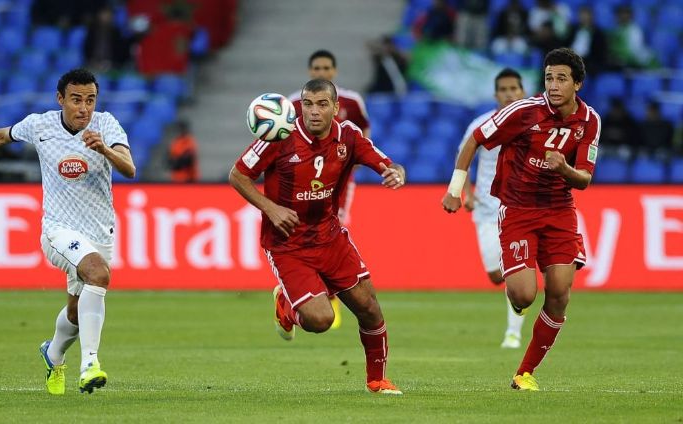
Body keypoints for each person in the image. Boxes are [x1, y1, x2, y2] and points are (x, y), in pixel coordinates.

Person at [0, 68, 136, 395]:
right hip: (58, 229)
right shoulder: (39, 125)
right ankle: (90, 365)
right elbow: (1, 136)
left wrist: (105, 150)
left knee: (75, 311)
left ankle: (53, 353)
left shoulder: (105, 124)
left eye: (90, 100)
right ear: (60, 99)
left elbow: (129, 168)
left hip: (99, 231)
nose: (84, 107)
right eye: (76, 100)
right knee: (98, 275)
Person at [230, 79, 406, 395]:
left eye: (322, 104)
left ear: (336, 108)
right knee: (320, 320)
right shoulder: (278, 135)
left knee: (369, 307)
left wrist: (394, 171)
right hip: (287, 245)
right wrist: (271, 209)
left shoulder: (348, 136)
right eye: (308, 104)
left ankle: (377, 380)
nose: (313, 111)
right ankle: (286, 305)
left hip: (330, 238)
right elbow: (238, 175)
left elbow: (384, 161)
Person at [442, 48, 601, 391]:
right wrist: (456, 189)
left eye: (561, 79)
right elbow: (475, 140)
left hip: (559, 210)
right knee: (524, 295)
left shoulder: (590, 121)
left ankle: (524, 372)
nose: (554, 85)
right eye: (548, 78)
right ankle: (518, 293)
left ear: (578, 84)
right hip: (518, 210)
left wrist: (565, 169)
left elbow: (585, 179)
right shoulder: (524, 111)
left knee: (559, 293)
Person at [288, 50, 371, 329]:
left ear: (334, 71)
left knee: (334, 229)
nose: (321, 72)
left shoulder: (351, 101)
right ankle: (309, 296)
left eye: (326, 68)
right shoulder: (291, 104)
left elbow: (363, 131)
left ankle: (326, 296)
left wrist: (354, 159)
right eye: (316, 68)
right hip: (303, 187)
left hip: (340, 182)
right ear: (310, 71)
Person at [458, 68, 527, 349]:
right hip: (487, 209)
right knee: (495, 274)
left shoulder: (532, 123)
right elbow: (463, 157)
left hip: (519, 209)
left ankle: (513, 332)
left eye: (514, 88)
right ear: (496, 94)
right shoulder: (482, 123)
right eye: (504, 89)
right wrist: (464, 192)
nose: (509, 94)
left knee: (514, 272)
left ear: (522, 91)